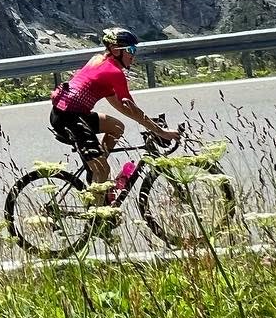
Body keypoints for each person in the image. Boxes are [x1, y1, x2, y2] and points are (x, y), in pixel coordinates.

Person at [50, 28, 179, 196]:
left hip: (66, 114)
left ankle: (94, 174)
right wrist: (161, 132)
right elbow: (132, 109)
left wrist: (152, 127)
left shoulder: (98, 60)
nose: (134, 55)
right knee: (103, 170)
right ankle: (96, 218)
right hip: (70, 119)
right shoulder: (115, 73)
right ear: (116, 50)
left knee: (117, 127)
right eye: (131, 50)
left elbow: (119, 105)